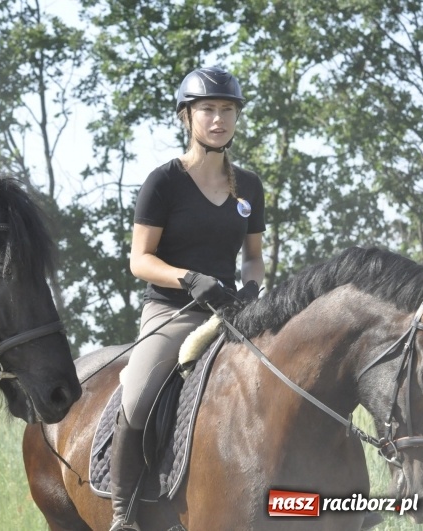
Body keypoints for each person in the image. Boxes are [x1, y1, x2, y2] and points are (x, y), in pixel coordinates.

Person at [109, 66, 265, 531]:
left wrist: (254, 289)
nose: (219, 120)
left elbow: (253, 257)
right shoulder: (164, 183)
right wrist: (189, 278)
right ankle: (123, 515)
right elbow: (140, 259)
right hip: (172, 309)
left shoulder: (250, 186)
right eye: (208, 110)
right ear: (186, 117)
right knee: (136, 399)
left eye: (228, 110)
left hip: (231, 312)